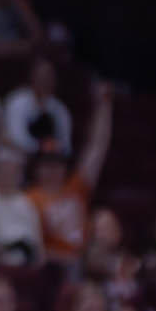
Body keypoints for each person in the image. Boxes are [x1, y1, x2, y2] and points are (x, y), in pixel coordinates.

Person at [26, 80, 113, 263]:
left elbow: (98, 147)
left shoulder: (75, 187)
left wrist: (104, 105)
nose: (52, 170)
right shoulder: (30, 199)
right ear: (37, 169)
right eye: (47, 165)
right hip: (54, 267)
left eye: (57, 164)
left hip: (85, 260)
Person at [3, 58, 73, 155]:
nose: (44, 81)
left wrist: (53, 147)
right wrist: (40, 147)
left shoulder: (60, 109)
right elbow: (16, 137)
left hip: (51, 158)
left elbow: (65, 144)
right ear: (32, 78)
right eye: (41, 77)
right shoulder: (18, 101)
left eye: (48, 77)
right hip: (20, 154)